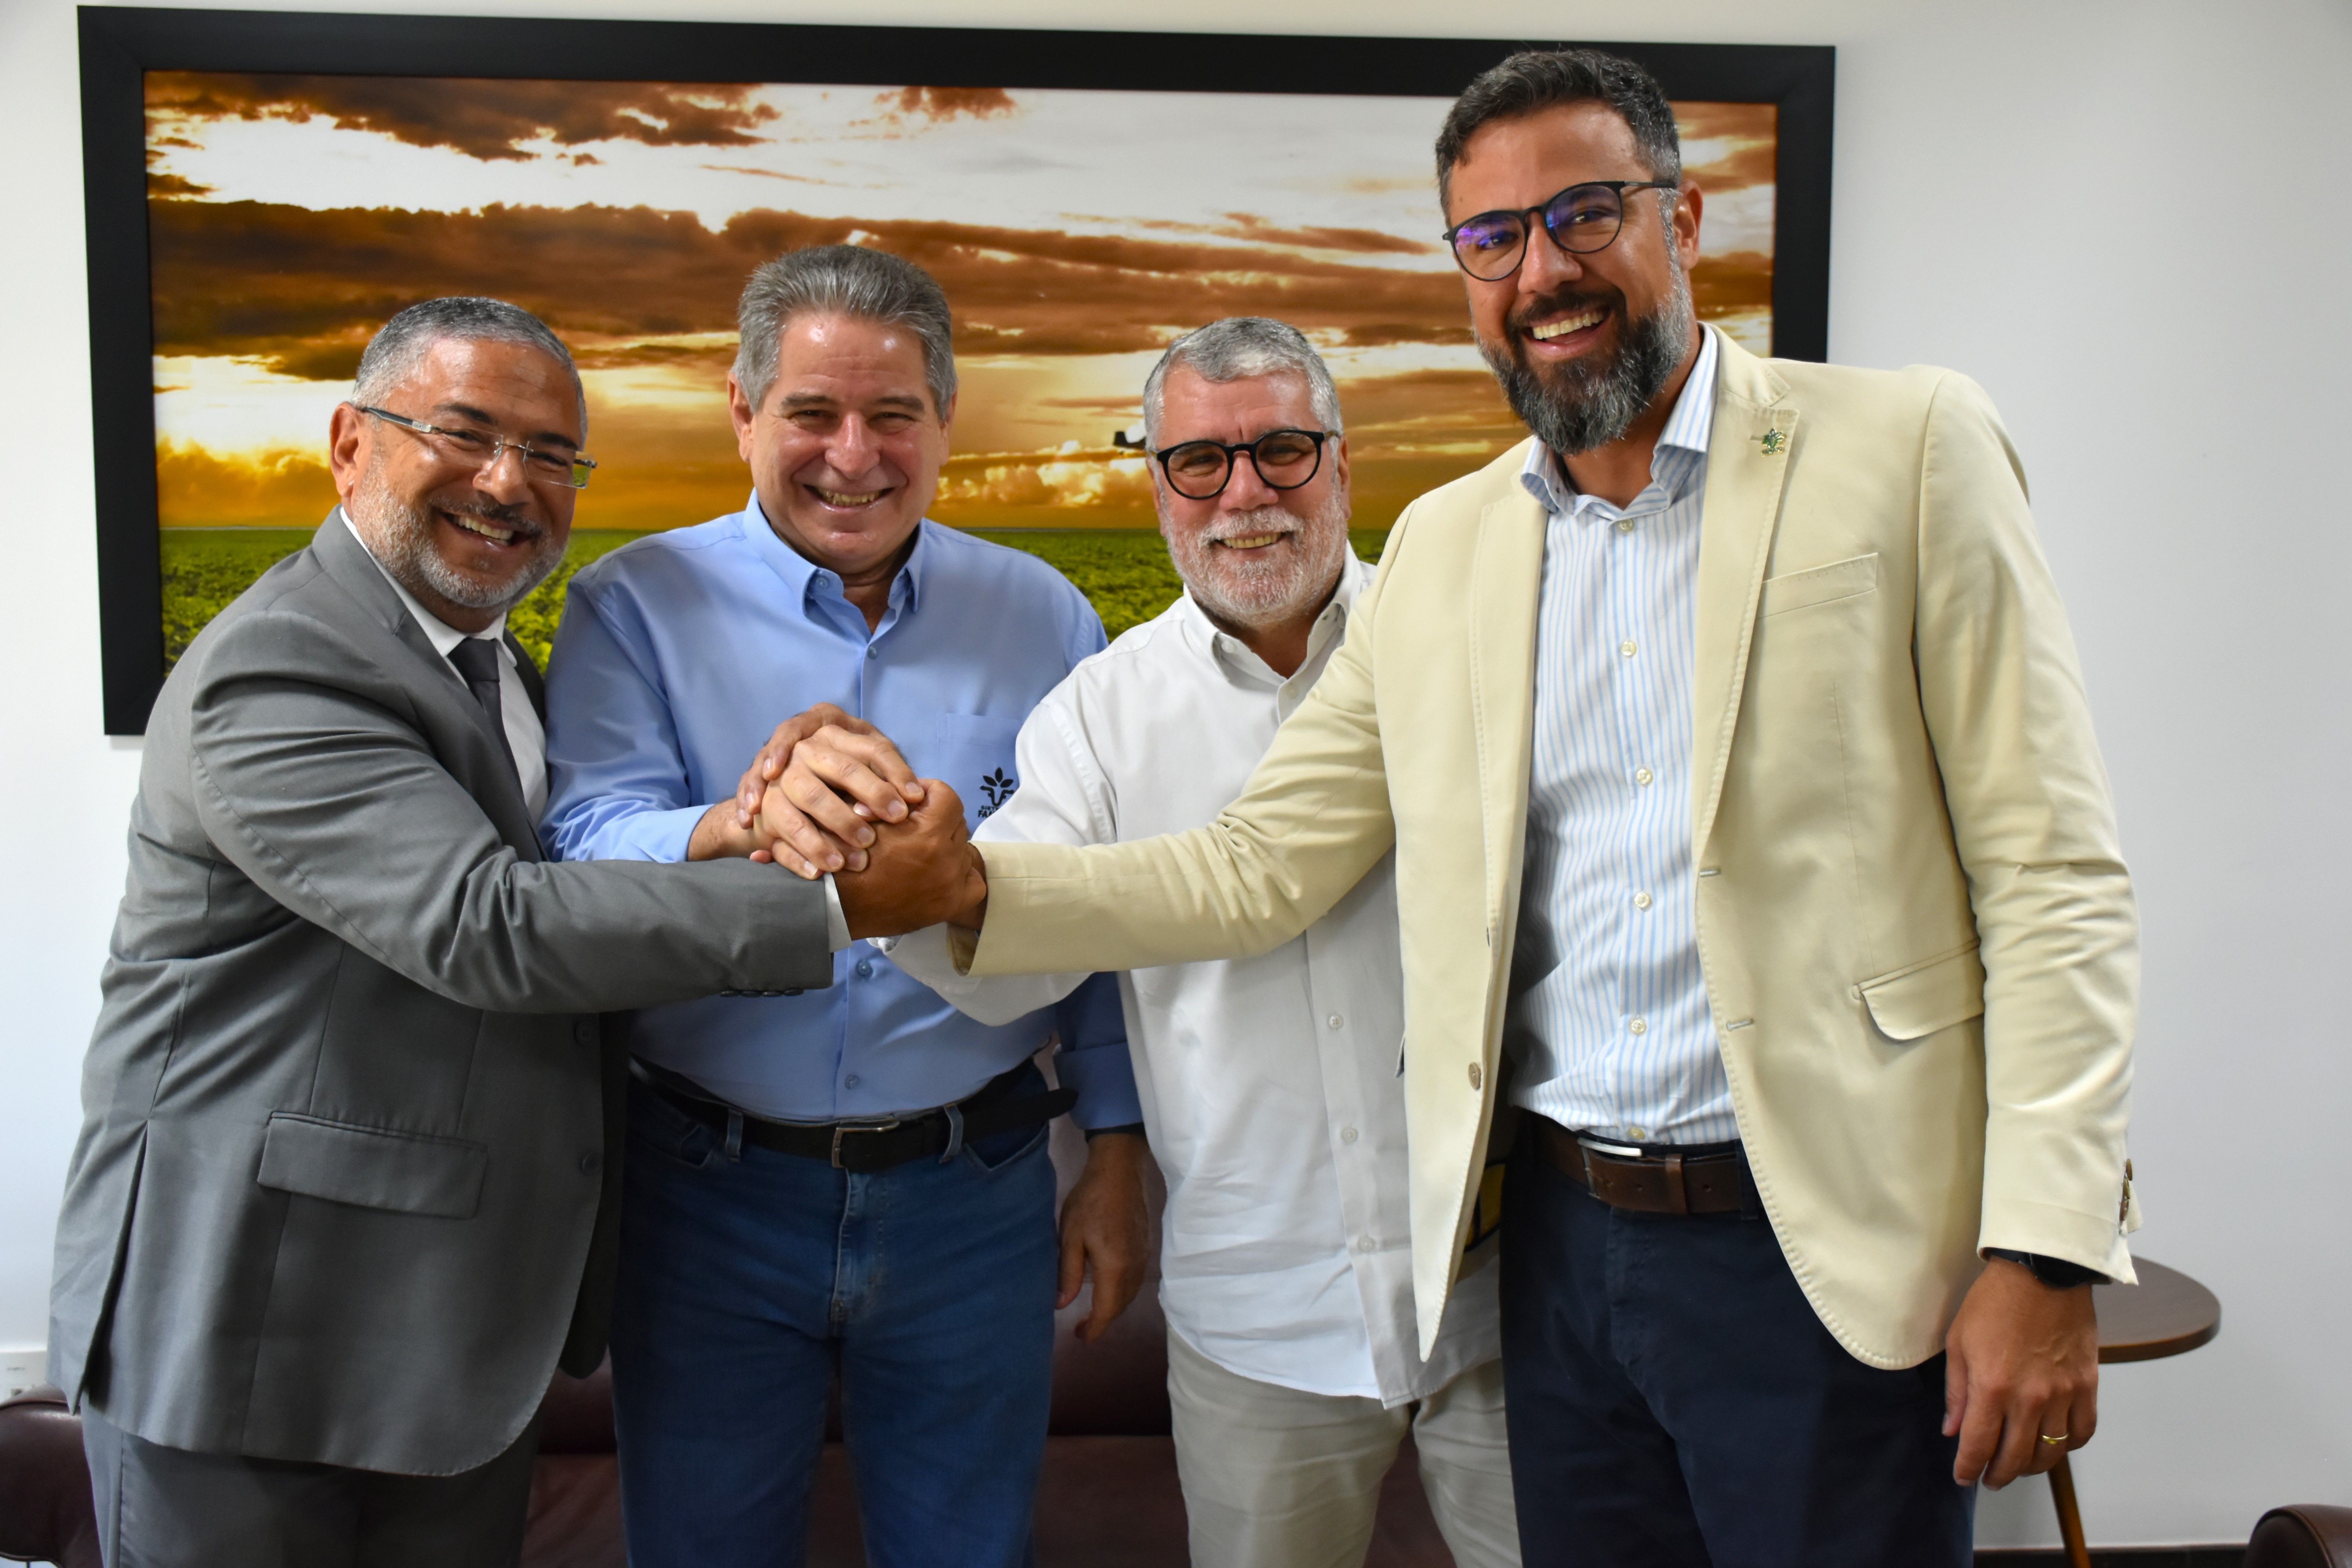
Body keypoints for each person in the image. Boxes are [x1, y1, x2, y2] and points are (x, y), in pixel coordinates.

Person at [780, 48, 2142, 1568]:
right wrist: (964, 888)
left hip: (1829, 1242)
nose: (1542, 271)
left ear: (1684, 219)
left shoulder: (1906, 446)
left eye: (1585, 214)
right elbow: (1258, 865)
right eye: (1493, 238)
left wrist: (2045, 1249)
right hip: (1558, 1257)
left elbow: (2052, 875)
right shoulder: (1452, 543)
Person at [49, 297, 840, 1568]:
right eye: (465, 434)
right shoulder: (281, 664)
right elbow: (485, 924)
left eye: (551, 455)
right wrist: (843, 905)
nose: (509, 482)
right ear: (350, 444)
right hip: (254, 1325)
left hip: (447, 1335)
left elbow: (561, 873)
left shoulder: (501, 673)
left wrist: (735, 825)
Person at [872, 318, 1520, 1568]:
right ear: (1158, 483)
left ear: (1342, 461)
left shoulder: (1474, 651)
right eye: (1200, 463)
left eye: (1282, 451)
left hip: (1506, 1293)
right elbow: (1012, 963)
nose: (1244, 496)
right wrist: (909, 879)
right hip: (1259, 1312)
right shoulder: (1101, 716)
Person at [537, 245, 1148, 1568]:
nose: (854, 456)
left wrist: (1116, 1147)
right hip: (703, 1194)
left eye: (894, 416)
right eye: (812, 413)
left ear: (948, 421)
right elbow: (582, 844)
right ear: (743, 413)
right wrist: (739, 821)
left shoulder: (1046, 618)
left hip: (975, 1196)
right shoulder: (632, 604)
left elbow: (1092, 903)